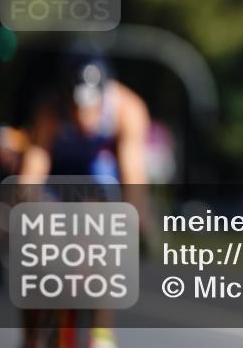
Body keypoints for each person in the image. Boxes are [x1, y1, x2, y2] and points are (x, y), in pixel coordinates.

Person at [18, 52, 150, 348]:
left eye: (91, 106)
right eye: (77, 107)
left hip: (100, 181)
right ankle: (31, 337)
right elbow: (35, 165)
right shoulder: (49, 107)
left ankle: (102, 334)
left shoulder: (128, 108)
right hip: (58, 177)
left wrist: (135, 222)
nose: (84, 115)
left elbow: (133, 174)